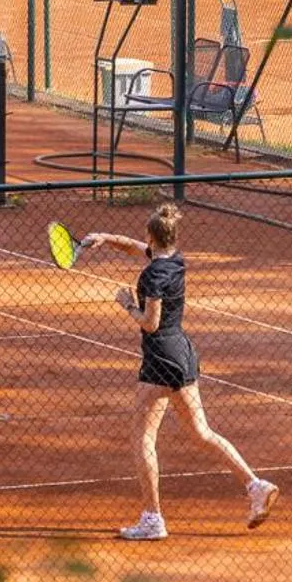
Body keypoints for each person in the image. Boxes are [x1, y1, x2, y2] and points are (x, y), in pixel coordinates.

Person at [78, 204, 278, 541]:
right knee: (201, 433)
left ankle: (152, 517)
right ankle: (255, 485)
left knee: (142, 437)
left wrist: (127, 304)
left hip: (159, 360)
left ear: (151, 236)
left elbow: (150, 323)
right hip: (183, 355)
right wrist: (104, 238)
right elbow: (135, 247)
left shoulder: (153, 276)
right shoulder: (174, 260)